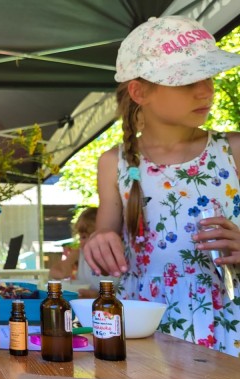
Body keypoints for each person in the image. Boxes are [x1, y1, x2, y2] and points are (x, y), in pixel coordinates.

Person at [83, 16, 240, 355]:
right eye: (187, 81)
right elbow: (104, 238)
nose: (207, 90)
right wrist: (99, 243)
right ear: (140, 91)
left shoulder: (234, 151)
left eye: (209, 76)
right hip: (143, 330)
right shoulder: (115, 163)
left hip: (228, 324)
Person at [49, 207, 116, 298]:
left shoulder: (116, 256)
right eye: (82, 237)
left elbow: (123, 290)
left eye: (85, 237)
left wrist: (97, 296)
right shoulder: (80, 253)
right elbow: (55, 271)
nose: (83, 242)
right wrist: (64, 268)